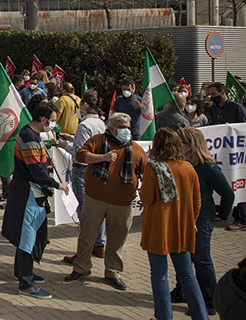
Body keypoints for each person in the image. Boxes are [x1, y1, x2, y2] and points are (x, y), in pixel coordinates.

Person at [64, 112, 148, 290]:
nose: (126, 131)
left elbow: (145, 173)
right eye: (121, 127)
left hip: (123, 204)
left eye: (127, 128)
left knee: (117, 239)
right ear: (111, 128)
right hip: (95, 199)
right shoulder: (98, 141)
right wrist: (103, 158)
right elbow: (81, 156)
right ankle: (81, 268)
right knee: (87, 235)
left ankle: (112, 272)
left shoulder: (136, 149)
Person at [1, 102, 69, 299]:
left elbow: (35, 162)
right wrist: (58, 185)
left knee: (29, 236)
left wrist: (45, 161)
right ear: (43, 120)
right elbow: (38, 174)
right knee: (27, 239)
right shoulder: (30, 137)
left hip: (29, 192)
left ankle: (20, 272)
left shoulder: (31, 134)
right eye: (53, 121)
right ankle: (26, 282)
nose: (54, 125)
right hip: (28, 194)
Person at [140, 127, 207, 320]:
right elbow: (197, 201)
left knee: (160, 276)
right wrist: (191, 221)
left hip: (159, 228)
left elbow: (147, 197)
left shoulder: (152, 167)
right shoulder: (188, 167)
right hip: (182, 228)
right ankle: (201, 316)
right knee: (187, 275)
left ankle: (164, 316)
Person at [167, 127, 235, 315]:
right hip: (180, 218)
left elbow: (228, 194)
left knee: (201, 260)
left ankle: (209, 300)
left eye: (181, 142)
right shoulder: (179, 163)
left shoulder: (208, 167)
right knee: (182, 257)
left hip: (201, 219)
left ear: (190, 145)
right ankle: (182, 291)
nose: (177, 146)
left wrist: (222, 214)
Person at [62, 91, 107, 265]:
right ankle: (99, 244)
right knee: (97, 209)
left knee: (84, 211)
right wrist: (71, 138)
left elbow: (81, 152)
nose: (78, 108)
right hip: (98, 169)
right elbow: (90, 144)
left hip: (82, 170)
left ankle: (83, 251)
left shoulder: (84, 125)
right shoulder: (101, 123)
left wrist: (64, 145)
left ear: (85, 105)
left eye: (80, 104)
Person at [205, 82, 246, 232]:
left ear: (222, 92)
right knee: (225, 183)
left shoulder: (237, 109)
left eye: (214, 94)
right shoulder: (215, 109)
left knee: (238, 184)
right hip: (223, 153)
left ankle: (241, 219)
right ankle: (222, 212)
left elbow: (243, 130)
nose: (211, 97)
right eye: (210, 94)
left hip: (237, 155)